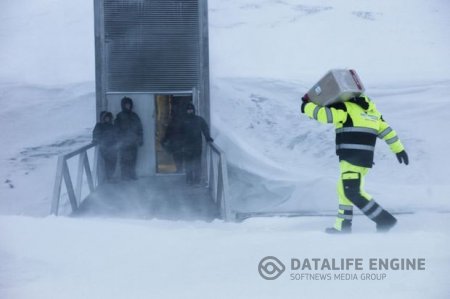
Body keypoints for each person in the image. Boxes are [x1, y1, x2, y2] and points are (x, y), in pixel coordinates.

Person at [300, 94, 409, 233]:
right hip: (363, 159)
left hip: (351, 157)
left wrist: (306, 106)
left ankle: (384, 219)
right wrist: (399, 149)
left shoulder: (346, 107)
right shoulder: (373, 113)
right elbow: (388, 132)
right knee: (343, 189)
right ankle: (343, 226)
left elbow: (325, 115)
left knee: (352, 192)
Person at [181, 103, 213, 185]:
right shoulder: (183, 120)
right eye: (188, 110)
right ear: (186, 111)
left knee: (197, 163)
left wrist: (208, 137)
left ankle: (197, 180)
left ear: (194, 110)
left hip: (197, 146)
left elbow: (205, 128)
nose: (190, 111)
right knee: (188, 163)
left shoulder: (199, 120)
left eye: (191, 109)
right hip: (186, 146)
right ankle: (189, 179)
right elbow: (178, 133)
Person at [115, 97, 143, 180]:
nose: (128, 106)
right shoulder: (119, 116)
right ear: (123, 105)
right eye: (126, 104)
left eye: (129, 104)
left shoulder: (135, 116)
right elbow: (116, 130)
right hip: (123, 142)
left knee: (133, 159)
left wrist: (140, 139)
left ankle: (132, 174)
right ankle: (124, 175)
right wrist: (119, 140)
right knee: (124, 159)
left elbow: (140, 128)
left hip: (133, 142)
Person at [92, 111, 117, 182]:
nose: (107, 119)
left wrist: (117, 142)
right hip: (105, 147)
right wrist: (96, 140)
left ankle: (111, 176)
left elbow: (116, 135)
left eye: (108, 117)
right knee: (108, 162)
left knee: (114, 161)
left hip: (113, 147)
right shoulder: (99, 125)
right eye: (105, 118)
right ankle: (109, 177)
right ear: (103, 118)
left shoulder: (112, 126)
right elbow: (95, 134)